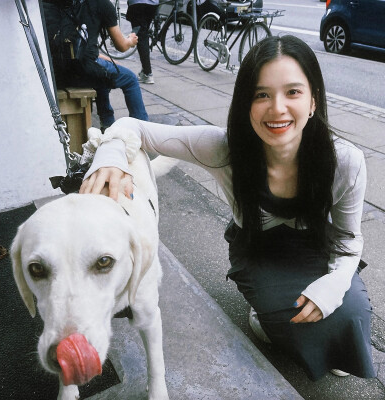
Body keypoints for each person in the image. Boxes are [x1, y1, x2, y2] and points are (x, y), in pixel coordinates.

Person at [79, 35, 375, 381]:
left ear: (313, 101)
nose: (277, 108)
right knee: (290, 320)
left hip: (317, 250)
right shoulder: (224, 148)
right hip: (260, 252)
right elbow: (134, 128)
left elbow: (348, 239)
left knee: (351, 311)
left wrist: (337, 283)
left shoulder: (345, 161)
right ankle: (264, 318)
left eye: (292, 92)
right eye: (261, 94)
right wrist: (110, 156)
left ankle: (331, 337)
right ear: (245, 103)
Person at [43, 0, 148, 129]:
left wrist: (105, 59)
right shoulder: (102, 4)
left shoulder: (63, 4)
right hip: (81, 72)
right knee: (130, 79)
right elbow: (121, 46)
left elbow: (77, 45)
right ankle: (142, 128)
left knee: (101, 69)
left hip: (57, 74)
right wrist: (131, 41)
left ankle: (108, 123)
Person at [126, 0, 159, 84]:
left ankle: (147, 73)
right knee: (143, 32)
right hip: (152, 4)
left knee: (142, 36)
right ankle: (145, 71)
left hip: (137, 3)